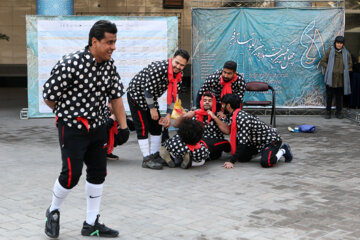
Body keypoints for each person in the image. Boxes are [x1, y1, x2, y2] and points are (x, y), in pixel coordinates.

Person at [42, 20, 129, 238]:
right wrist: (67, 114)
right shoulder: (71, 63)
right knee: (71, 175)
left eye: (115, 42)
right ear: (94, 41)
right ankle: (53, 211)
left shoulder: (109, 65)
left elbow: (116, 95)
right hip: (72, 129)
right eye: (109, 42)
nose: (113, 47)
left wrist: (124, 125)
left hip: (98, 127)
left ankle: (91, 223)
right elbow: (49, 97)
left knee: (98, 172)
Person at [127, 49, 190, 170]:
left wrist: (168, 115)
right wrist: (152, 109)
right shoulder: (159, 68)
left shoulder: (179, 75)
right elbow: (147, 90)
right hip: (137, 94)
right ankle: (146, 159)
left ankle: (155, 155)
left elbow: (172, 96)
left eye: (182, 65)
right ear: (172, 58)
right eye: (177, 63)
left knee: (156, 125)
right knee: (143, 127)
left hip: (151, 98)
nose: (178, 66)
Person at [221, 94, 293, 169]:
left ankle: (283, 150)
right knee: (242, 158)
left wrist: (231, 161)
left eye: (223, 104)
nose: (222, 107)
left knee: (266, 162)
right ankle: (263, 152)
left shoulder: (242, 118)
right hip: (256, 142)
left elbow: (243, 142)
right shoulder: (232, 115)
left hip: (271, 140)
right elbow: (225, 123)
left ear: (228, 106)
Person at [174, 92, 231, 160]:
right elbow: (176, 125)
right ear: (201, 102)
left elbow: (227, 131)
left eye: (210, 101)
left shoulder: (218, 115)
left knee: (204, 146)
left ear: (214, 103)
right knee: (177, 137)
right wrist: (185, 116)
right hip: (197, 142)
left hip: (212, 143)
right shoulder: (195, 113)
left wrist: (214, 117)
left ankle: (185, 157)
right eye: (205, 100)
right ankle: (183, 157)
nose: (207, 102)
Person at [321, 36, 353, 119]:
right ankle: (328, 112)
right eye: (338, 43)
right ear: (335, 43)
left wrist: (346, 71)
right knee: (329, 96)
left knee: (339, 97)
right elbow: (323, 61)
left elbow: (350, 64)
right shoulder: (330, 51)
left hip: (341, 80)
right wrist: (329, 68)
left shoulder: (346, 53)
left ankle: (339, 112)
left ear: (343, 44)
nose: (339, 45)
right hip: (330, 79)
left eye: (341, 43)